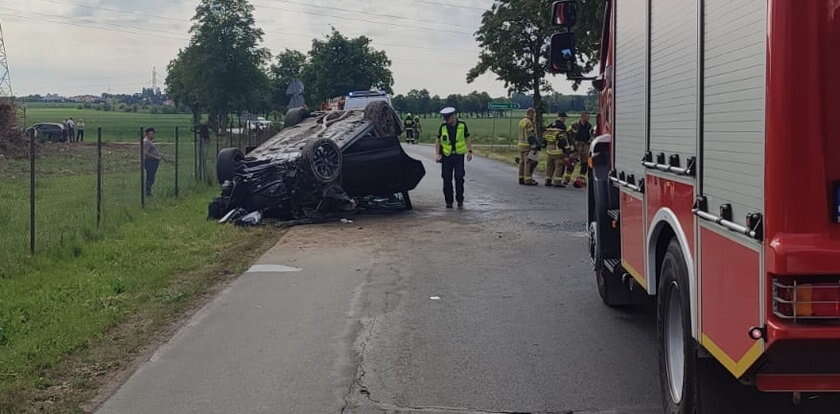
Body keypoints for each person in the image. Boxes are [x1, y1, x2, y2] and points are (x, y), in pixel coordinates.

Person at [435, 107, 473, 209]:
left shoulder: (462, 125)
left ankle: (460, 200)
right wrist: (437, 154)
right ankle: (449, 202)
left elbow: (467, 138)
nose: (446, 120)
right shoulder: (442, 126)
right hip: (446, 156)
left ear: (453, 116)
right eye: (445, 118)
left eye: (448, 118)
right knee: (446, 179)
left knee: (459, 177)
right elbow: (438, 141)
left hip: (459, 156)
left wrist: (470, 151)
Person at [544, 112, 569, 187]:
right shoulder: (562, 126)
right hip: (557, 150)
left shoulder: (550, 125)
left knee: (550, 165)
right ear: (562, 118)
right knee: (559, 165)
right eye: (565, 118)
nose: (565, 120)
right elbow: (562, 140)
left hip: (549, 149)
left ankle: (548, 180)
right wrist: (566, 149)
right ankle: (557, 182)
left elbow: (545, 136)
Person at [517, 108, 539, 186]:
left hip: (521, 144)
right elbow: (531, 135)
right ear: (531, 113)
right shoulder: (529, 122)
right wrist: (535, 145)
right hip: (527, 145)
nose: (535, 116)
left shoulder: (522, 121)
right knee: (528, 162)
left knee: (522, 162)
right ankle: (528, 179)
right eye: (534, 114)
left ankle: (521, 178)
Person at [572, 112, 594, 188]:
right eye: (587, 117)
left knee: (585, 162)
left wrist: (589, 142)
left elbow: (591, 135)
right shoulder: (575, 125)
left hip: (585, 144)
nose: (589, 118)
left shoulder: (589, 125)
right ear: (582, 117)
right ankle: (566, 179)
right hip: (576, 144)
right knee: (572, 160)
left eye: (589, 117)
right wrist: (572, 145)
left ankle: (581, 179)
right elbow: (570, 135)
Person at [142, 128, 163, 196]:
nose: (153, 135)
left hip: (153, 161)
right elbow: (145, 153)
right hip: (150, 162)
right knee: (150, 177)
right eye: (151, 134)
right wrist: (155, 157)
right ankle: (148, 192)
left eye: (153, 134)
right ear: (147, 134)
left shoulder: (149, 141)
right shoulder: (146, 142)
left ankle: (148, 191)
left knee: (151, 177)